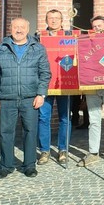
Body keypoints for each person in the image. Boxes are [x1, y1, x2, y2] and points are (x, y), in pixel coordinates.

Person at [0, 18, 51, 179]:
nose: (19, 30)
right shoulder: (0, 49)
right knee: (5, 133)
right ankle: (6, 166)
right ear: (10, 28)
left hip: (31, 99)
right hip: (7, 99)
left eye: (22, 27)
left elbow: (45, 74)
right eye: (16, 27)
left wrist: (41, 94)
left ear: (28, 29)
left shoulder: (38, 48)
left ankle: (29, 165)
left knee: (30, 131)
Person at [77, 16, 104, 167]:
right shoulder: (87, 42)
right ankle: (93, 152)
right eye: (94, 26)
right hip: (92, 85)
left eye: (100, 25)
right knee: (94, 121)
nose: (97, 28)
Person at [37, 9, 71, 165]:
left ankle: (63, 149)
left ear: (62, 21)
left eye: (57, 18)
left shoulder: (69, 37)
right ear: (46, 20)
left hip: (64, 83)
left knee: (65, 118)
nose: (54, 21)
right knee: (44, 118)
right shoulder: (38, 38)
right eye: (51, 18)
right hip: (44, 84)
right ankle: (45, 150)